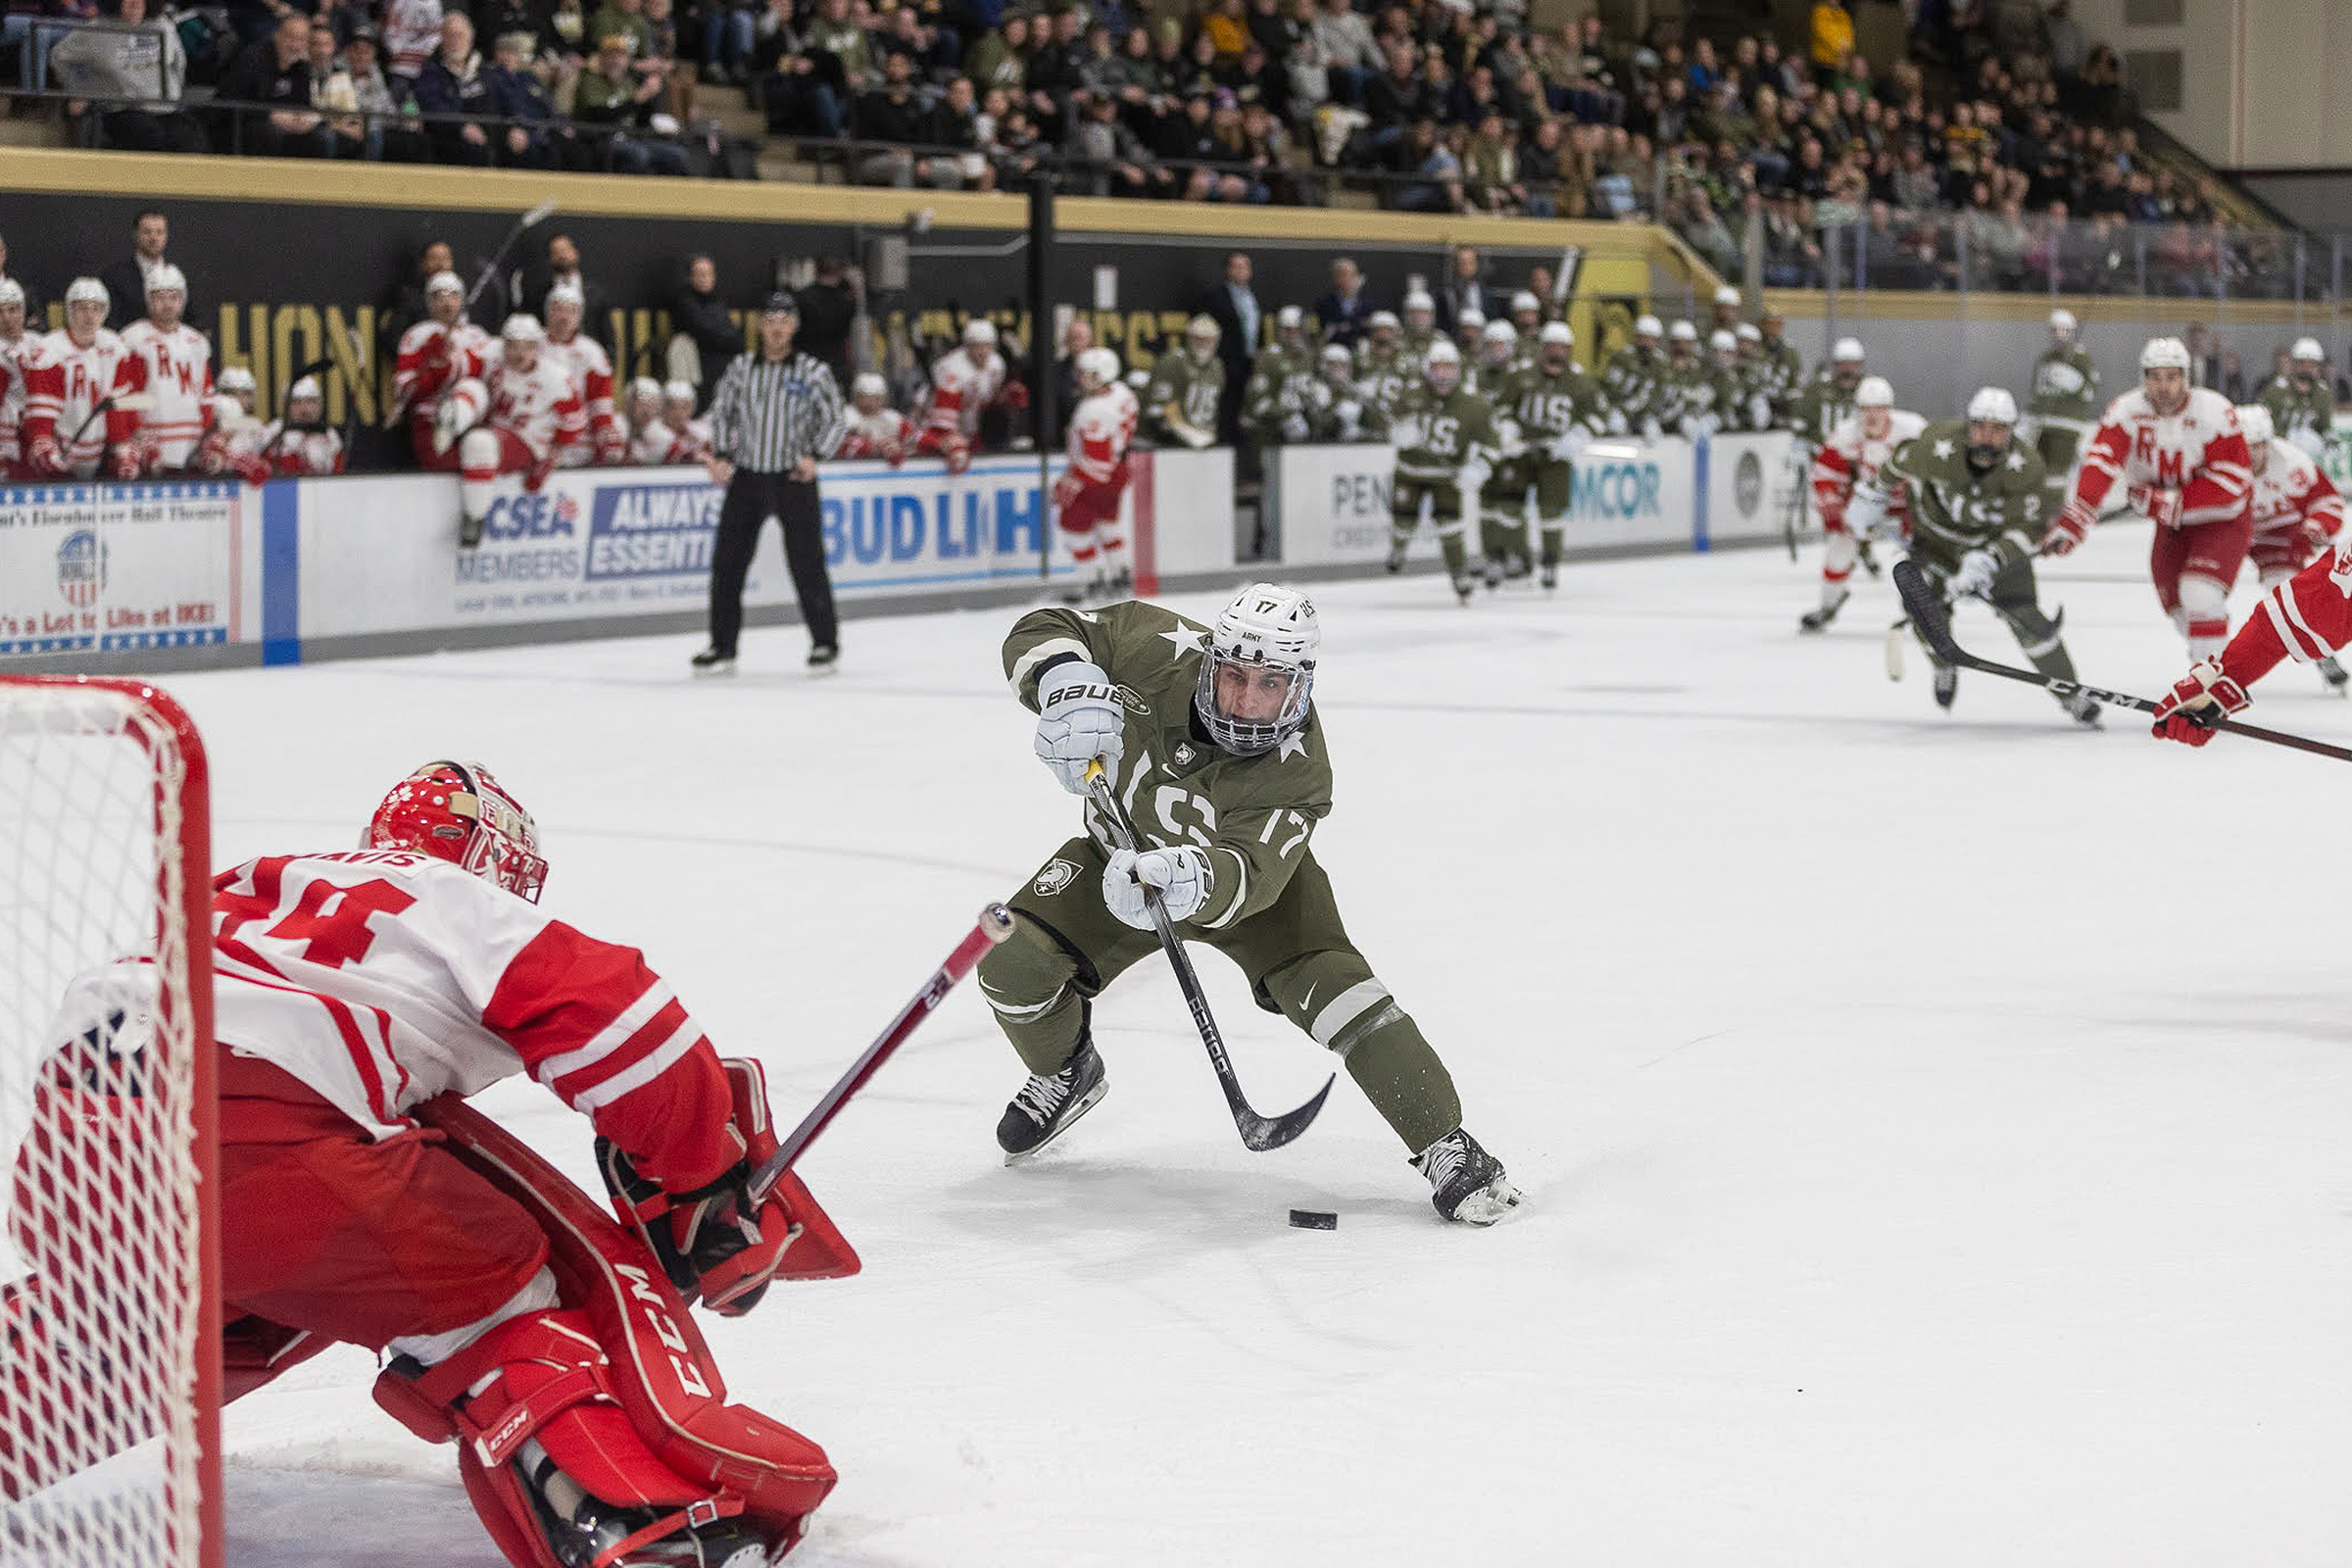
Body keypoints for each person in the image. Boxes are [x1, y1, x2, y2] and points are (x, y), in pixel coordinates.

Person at [19, 760, 855, 1565]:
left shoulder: (262, 879)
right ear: (488, 857)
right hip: (256, 1139)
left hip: (68, 1153)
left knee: (219, 1313)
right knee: (495, 1287)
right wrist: (700, 1178)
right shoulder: (452, 898)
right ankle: (634, 1528)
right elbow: (626, 1022)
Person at [977, 583, 1521, 1224]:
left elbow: (1252, 874)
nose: (1246, 701)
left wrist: (1190, 877)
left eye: (1271, 685)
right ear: (1210, 657)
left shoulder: (1299, 767)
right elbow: (1043, 624)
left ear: (1301, 685)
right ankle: (1068, 1071)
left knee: (1347, 999)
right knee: (1011, 964)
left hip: (1258, 896)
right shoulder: (1151, 645)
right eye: (1234, 675)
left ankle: (1446, 1145)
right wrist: (1065, 680)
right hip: (1114, 862)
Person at [1859, 388, 2098, 724]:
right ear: (1968, 426)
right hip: (1936, 547)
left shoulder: (2026, 467)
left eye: (1998, 430)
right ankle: (1943, 664)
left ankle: (2070, 694)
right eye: (1980, 427)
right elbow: (1897, 463)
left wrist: (1990, 559)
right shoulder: (1937, 445)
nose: (1987, 437)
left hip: (1993, 547)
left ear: (2011, 431)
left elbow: (2028, 529)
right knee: (1923, 610)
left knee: (2029, 621)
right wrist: (1873, 495)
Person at [2046, 337, 2254, 660]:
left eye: (2171, 377)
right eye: (2155, 377)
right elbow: (2101, 462)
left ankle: (2210, 682)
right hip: (2171, 526)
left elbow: (2234, 480)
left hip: (2221, 520)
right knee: (2176, 606)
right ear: (2143, 378)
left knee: (2199, 594)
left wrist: (2166, 502)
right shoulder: (2126, 412)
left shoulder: (2214, 411)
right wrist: (2077, 517)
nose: (2163, 386)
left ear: (2186, 377)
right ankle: (2215, 661)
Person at [697, 291, 846, 673]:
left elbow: (835, 419)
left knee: (807, 563)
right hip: (748, 476)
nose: (777, 329)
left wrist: (816, 455)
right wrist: (721, 455)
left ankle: (825, 642)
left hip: (792, 477)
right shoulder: (741, 368)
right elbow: (722, 412)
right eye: (770, 321)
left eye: (784, 322)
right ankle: (722, 644)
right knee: (727, 563)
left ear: (794, 327)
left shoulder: (812, 371)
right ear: (760, 326)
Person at [432, 315, 585, 547]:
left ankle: (474, 517)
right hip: (487, 422)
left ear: (537, 348)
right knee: (471, 386)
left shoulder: (555, 378)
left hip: (525, 438)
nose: (519, 354)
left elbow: (575, 420)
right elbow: (461, 367)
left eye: (527, 347)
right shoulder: (491, 354)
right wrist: (445, 355)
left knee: (479, 443)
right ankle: (449, 424)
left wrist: (556, 450)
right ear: (503, 343)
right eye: (513, 346)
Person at [2233, 402, 2347, 691]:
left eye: (2257, 446)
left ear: (2267, 443)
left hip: (2281, 537)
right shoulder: (2218, 465)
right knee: (2198, 597)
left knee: (2283, 587)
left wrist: (2319, 523)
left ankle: (2322, 655)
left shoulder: (2292, 464)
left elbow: (2328, 501)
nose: (2250, 454)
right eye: (2243, 447)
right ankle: (2210, 662)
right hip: (2232, 534)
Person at [1797, 375, 1924, 633]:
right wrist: (1832, 505)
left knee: (1923, 554)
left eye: (1879, 408)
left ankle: (1923, 609)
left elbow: (1933, 472)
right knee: (1839, 550)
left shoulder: (1912, 431)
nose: (1872, 415)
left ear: (1889, 409)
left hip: (1907, 505)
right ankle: (1828, 604)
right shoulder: (1844, 435)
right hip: (1863, 505)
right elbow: (1824, 475)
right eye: (1866, 409)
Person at [1492, 320, 1602, 591]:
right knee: (1508, 507)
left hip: (1556, 456)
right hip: (1521, 453)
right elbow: (1501, 407)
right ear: (1541, 349)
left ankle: (1551, 562)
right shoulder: (1521, 375)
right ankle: (1518, 556)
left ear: (1570, 351)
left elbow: (1599, 415)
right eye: (1551, 347)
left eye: (1562, 348)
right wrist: (1508, 431)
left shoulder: (1580, 382)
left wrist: (1576, 436)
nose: (1557, 353)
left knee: (1551, 511)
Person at [1386, 339, 1497, 603]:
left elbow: (1492, 443)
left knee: (1450, 527)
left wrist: (1479, 468)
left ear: (1458, 370)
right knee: (1403, 521)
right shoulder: (1411, 394)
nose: (1443, 374)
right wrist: (1399, 432)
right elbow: (1390, 420)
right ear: (1427, 369)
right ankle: (1398, 547)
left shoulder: (1474, 404)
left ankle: (1459, 574)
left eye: (1448, 367)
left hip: (1446, 477)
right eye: (1437, 367)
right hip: (1410, 471)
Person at [19, 277, 140, 481]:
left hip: (100, 457)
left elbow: (118, 412)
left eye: (96, 308)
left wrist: (123, 450)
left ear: (105, 312)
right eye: (82, 308)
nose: (89, 316)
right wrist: (45, 448)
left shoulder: (115, 348)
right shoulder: (50, 351)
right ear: (70, 310)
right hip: (61, 452)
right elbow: (41, 420)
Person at [1054, 346, 1140, 603]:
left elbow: (1098, 465)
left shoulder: (1094, 410)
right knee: (1107, 527)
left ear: (1104, 375)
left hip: (1099, 476)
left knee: (1073, 528)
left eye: (1090, 374)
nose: (1082, 378)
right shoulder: (1122, 392)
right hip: (1119, 470)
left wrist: (1072, 480)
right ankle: (1121, 578)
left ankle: (1094, 582)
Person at [118, 264, 212, 475]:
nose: (168, 304)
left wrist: (207, 441)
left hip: (192, 445)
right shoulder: (133, 339)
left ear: (183, 299)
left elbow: (206, 396)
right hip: (151, 447)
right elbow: (128, 398)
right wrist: (140, 438)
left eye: (174, 297)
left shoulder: (197, 341)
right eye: (160, 297)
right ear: (148, 299)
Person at [394, 270, 495, 467]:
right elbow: (406, 391)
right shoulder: (418, 336)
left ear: (462, 299)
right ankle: (448, 421)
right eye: (438, 297)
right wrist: (437, 366)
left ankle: (456, 417)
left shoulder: (478, 336)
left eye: (453, 296)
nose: (446, 303)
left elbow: (492, 381)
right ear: (429, 302)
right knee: (448, 473)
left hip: (476, 423)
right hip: (430, 422)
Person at [912, 318, 1019, 474]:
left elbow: (989, 403)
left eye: (987, 345)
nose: (983, 351)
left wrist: (1007, 398)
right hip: (931, 427)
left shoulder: (997, 364)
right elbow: (942, 423)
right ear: (967, 346)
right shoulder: (952, 368)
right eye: (977, 346)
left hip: (968, 426)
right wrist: (955, 443)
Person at [2022, 308, 2098, 511]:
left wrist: (2073, 381)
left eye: (2064, 330)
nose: (2059, 335)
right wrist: (2031, 417)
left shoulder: (2081, 359)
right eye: (2055, 330)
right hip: (2043, 424)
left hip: (2066, 425)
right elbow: (2037, 391)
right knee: (2039, 469)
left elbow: (2089, 392)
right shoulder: (2045, 359)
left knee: (2057, 472)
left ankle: (2055, 511)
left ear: (2072, 331)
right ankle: (2041, 509)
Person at [540, 282, 622, 466]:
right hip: (538, 430)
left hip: (578, 437)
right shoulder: (533, 345)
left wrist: (604, 430)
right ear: (548, 311)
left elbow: (600, 401)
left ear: (579, 315)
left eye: (571, 311)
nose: (564, 316)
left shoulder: (591, 352)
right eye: (558, 309)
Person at [671, 254, 740, 407]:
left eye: (709, 273)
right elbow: (703, 331)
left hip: (722, 358)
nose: (705, 278)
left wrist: (729, 340)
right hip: (699, 360)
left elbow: (734, 336)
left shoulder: (718, 301)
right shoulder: (684, 301)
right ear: (691, 277)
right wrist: (728, 339)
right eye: (700, 273)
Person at [1146, 314, 1223, 449]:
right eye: (1198, 338)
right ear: (1189, 338)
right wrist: (1189, 433)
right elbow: (1164, 407)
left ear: (1216, 340)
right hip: (1169, 441)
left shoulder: (1217, 366)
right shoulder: (1173, 362)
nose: (1202, 344)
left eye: (1207, 339)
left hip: (1204, 436)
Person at [245, 374, 347, 476]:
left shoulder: (330, 434)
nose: (305, 409)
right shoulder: (272, 433)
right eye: (296, 402)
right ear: (286, 406)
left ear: (320, 404)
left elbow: (340, 475)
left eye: (311, 401)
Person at [2260, 337, 2335, 466]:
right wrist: (2284, 438)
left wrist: (2331, 445)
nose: (2307, 370)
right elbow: (2264, 424)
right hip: (2280, 453)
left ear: (2318, 367)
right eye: (2302, 364)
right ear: (2294, 365)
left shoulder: (2323, 392)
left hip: (2312, 457)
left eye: (2312, 365)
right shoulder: (2278, 389)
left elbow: (2326, 427)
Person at [1597, 313, 1666, 438]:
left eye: (1651, 339)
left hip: (1645, 412)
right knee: (1616, 426)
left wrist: (1648, 411)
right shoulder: (1622, 358)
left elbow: (1659, 392)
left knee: (1654, 432)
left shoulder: (1660, 362)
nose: (1646, 344)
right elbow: (1611, 390)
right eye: (1643, 338)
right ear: (1636, 337)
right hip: (1620, 408)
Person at [832, 370, 911, 463]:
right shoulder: (844, 417)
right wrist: (874, 448)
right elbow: (837, 447)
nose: (869, 402)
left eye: (876, 398)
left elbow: (913, 441)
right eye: (864, 397)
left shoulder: (894, 419)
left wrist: (897, 448)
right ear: (856, 396)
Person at [0, 279, 36, 478]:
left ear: (23, 311)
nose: (6, 318)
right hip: (7, 436)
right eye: (0, 312)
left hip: (36, 431)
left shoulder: (39, 343)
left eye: (13, 310)